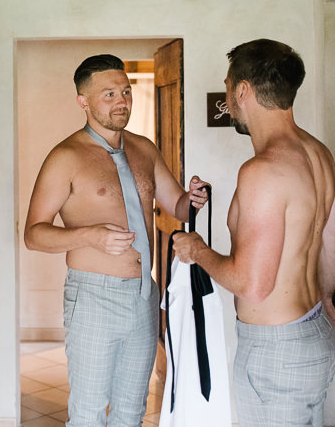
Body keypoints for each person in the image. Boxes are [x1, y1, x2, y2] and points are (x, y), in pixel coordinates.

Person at [24, 54, 209, 427]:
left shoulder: (144, 149)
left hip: (144, 294)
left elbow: (178, 206)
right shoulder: (65, 157)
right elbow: (33, 234)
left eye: (125, 92)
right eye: (109, 94)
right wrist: (88, 235)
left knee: (131, 412)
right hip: (93, 296)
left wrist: (194, 199)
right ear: (84, 101)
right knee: (89, 414)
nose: (122, 101)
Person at [172, 39, 335, 427]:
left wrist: (197, 249)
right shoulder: (318, 153)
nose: (228, 97)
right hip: (315, 328)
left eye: (227, 86)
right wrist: (328, 299)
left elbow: (252, 286)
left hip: (277, 351)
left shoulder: (262, 170)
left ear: (243, 90)